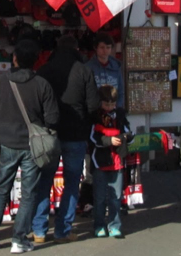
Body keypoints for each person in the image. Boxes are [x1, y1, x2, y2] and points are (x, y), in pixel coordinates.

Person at [0, 40, 59, 254]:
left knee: (0, 191)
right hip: (32, 146)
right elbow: (52, 118)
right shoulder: (42, 85)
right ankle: (19, 239)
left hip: (5, 144)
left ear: (14, 59)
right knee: (28, 194)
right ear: (35, 60)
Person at [33, 35, 99, 243]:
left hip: (49, 135)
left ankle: (39, 231)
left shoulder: (44, 70)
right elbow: (94, 105)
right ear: (76, 48)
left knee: (44, 181)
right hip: (76, 134)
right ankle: (63, 230)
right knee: (71, 182)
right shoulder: (84, 70)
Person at [90, 85, 133, 238]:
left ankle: (115, 225)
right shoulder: (95, 115)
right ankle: (99, 225)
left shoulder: (120, 114)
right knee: (100, 197)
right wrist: (109, 140)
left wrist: (127, 137)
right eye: (106, 104)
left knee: (116, 198)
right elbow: (92, 137)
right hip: (100, 162)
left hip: (118, 161)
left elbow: (128, 130)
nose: (109, 107)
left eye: (112, 104)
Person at [85, 33, 125, 108]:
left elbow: (121, 91)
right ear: (96, 48)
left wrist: (118, 108)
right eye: (102, 47)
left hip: (114, 110)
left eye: (108, 47)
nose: (105, 50)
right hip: (94, 112)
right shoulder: (87, 68)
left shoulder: (116, 67)